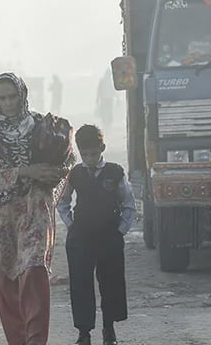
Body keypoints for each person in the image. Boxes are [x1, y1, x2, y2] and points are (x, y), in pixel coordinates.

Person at [0, 72, 74, 345]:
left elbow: (67, 160)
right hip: (3, 214)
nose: (8, 103)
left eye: (13, 96)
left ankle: (36, 340)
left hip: (35, 209)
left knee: (34, 272)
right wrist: (26, 171)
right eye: (2, 98)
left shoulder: (40, 124)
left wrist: (52, 174)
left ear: (23, 95)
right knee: (8, 280)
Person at [57, 124, 135, 345]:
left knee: (111, 284)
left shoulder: (115, 172)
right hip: (81, 237)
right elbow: (62, 202)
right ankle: (84, 333)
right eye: (85, 154)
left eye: (93, 153)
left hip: (108, 235)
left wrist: (120, 230)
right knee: (81, 284)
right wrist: (71, 225)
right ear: (79, 152)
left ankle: (108, 328)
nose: (90, 158)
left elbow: (128, 203)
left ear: (102, 148)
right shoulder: (74, 174)